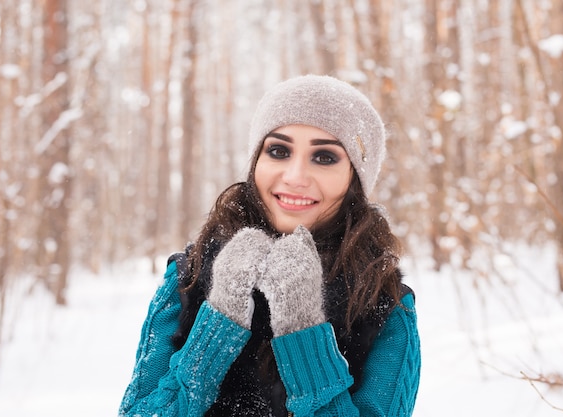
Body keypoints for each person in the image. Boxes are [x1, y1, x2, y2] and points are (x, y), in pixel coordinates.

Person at [118, 74, 421, 416]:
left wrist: (303, 331)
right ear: (256, 162)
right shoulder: (189, 276)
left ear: (356, 178)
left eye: (324, 157)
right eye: (278, 150)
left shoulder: (385, 302)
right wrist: (218, 322)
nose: (294, 176)